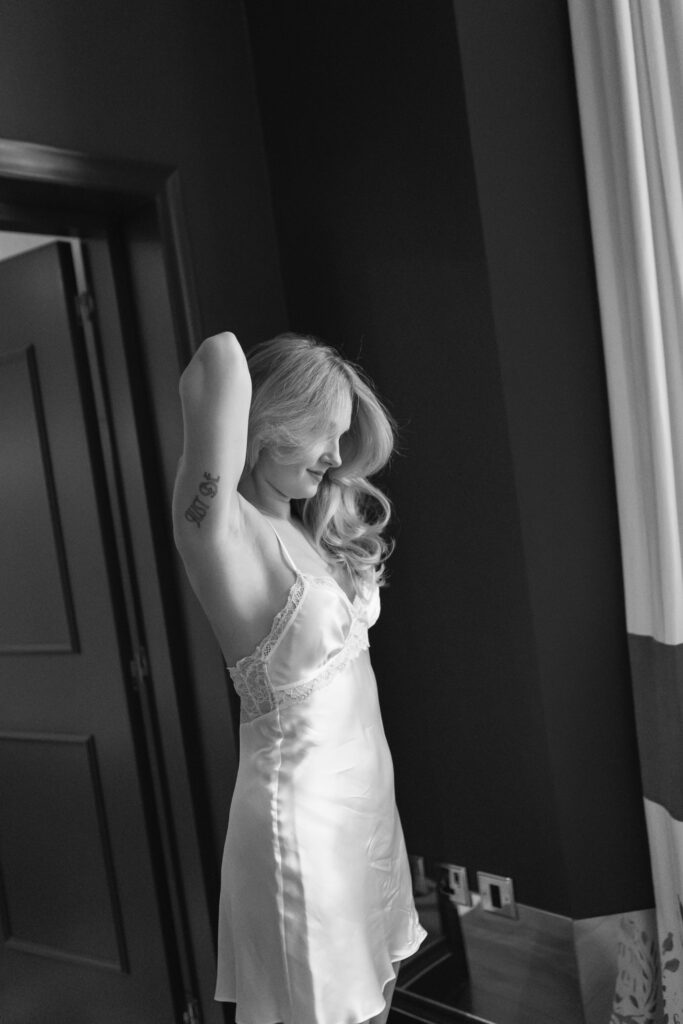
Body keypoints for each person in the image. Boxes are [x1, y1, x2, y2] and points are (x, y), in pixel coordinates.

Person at [172, 330, 427, 1024]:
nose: (337, 456)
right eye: (323, 431)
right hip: (301, 833)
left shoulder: (309, 530)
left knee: (375, 1001)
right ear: (271, 422)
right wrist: (314, 368)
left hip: (366, 815)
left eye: (343, 438)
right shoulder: (223, 533)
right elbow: (220, 358)